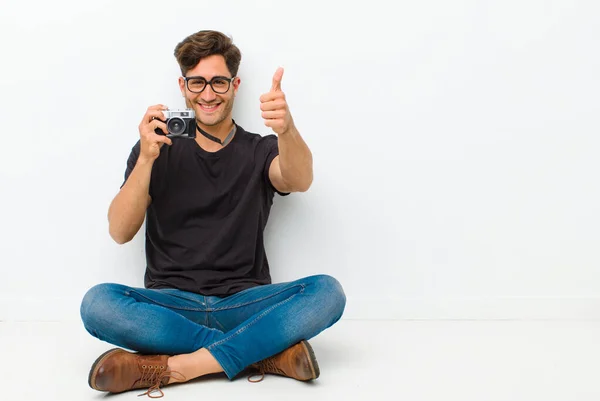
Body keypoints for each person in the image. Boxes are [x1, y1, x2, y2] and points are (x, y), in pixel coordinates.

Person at [79, 30, 346, 398]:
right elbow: (120, 231)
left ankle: (178, 367)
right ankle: (259, 354)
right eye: (197, 82)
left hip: (244, 303)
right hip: (172, 307)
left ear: (235, 84)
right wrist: (145, 159)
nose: (207, 94)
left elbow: (299, 179)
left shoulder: (261, 149)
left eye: (218, 82)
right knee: (97, 304)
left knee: (328, 292)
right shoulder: (155, 150)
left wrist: (287, 130)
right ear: (183, 85)